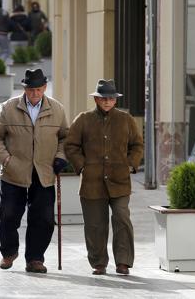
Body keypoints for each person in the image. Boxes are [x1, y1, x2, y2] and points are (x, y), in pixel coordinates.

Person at [0, 68, 68, 274]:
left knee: (43, 218)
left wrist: (60, 157)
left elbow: (65, 138)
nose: (35, 94)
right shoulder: (9, 107)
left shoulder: (57, 109)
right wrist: (6, 160)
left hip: (44, 172)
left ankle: (35, 259)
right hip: (14, 171)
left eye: (39, 89)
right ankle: (9, 252)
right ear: (25, 88)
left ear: (45, 88)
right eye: (31, 89)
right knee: (8, 214)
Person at [64, 79, 143, 276]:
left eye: (111, 98)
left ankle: (123, 262)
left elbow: (137, 145)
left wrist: (130, 165)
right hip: (92, 182)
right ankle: (99, 262)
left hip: (120, 180)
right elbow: (71, 145)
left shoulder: (126, 120)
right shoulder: (83, 119)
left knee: (122, 218)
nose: (107, 102)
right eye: (103, 98)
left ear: (115, 100)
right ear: (97, 99)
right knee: (95, 224)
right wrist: (82, 166)